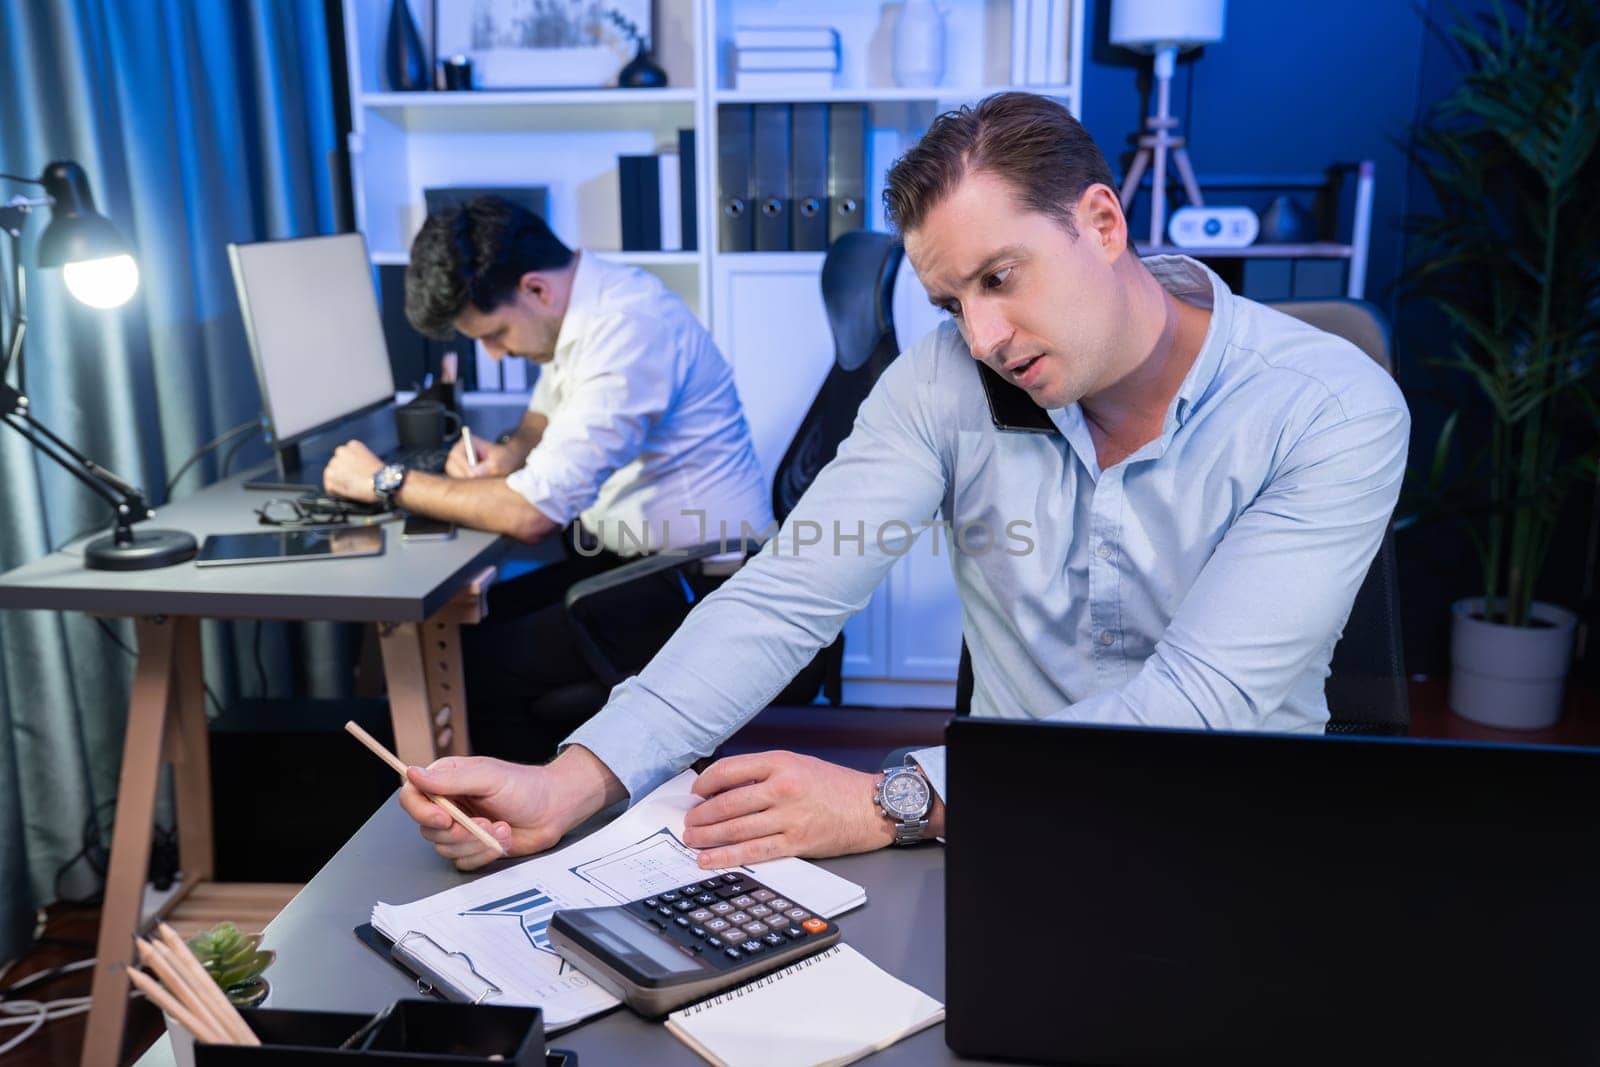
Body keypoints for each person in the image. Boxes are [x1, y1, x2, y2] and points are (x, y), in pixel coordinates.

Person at [395, 92, 1410, 871]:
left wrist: (898, 797)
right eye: (949, 301)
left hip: (1226, 832)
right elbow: (789, 590)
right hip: (1004, 836)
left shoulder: (1328, 405)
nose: (985, 338)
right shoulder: (943, 377)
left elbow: (1204, 701)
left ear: (1101, 224)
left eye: (1000, 277)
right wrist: (576, 778)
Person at [323, 198, 772, 760]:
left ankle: (527, 832)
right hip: (628, 563)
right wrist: (506, 458)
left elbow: (531, 517)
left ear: (535, 289)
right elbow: (542, 418)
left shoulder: (628, 329)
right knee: (452, 638)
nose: (494, 351)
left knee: (464, 669)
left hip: (692, 589)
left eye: (495, 333)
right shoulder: (584, 303)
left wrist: (387, 481)